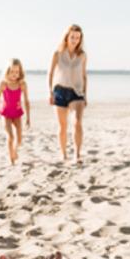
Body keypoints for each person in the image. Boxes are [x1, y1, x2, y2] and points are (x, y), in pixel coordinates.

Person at [48, 24, 88, 162]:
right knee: (63, 126)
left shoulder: (82, 55)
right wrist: (50, 92)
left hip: (77, 93)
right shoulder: (57, 54)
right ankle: (63, 154)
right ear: (67, 37)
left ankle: (77, 155)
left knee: (77, 123)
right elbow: (51, 73)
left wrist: (85, 95)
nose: (75, 40)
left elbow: (84, 75)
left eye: (77, 38)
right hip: (59, 91)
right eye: (72, 37)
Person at [0, 58, 31, 165]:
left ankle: (14, 151)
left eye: (17, 72)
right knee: (10, 136)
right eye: (12, 71)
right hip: (6, 114)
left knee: (19, 140)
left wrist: (28, 118)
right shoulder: (3, 84)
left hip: (17, 113)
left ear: (20, 72)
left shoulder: (22, 84)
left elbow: (27, 101)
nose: (14, 74)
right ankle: (11, 159)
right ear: (7, 71)